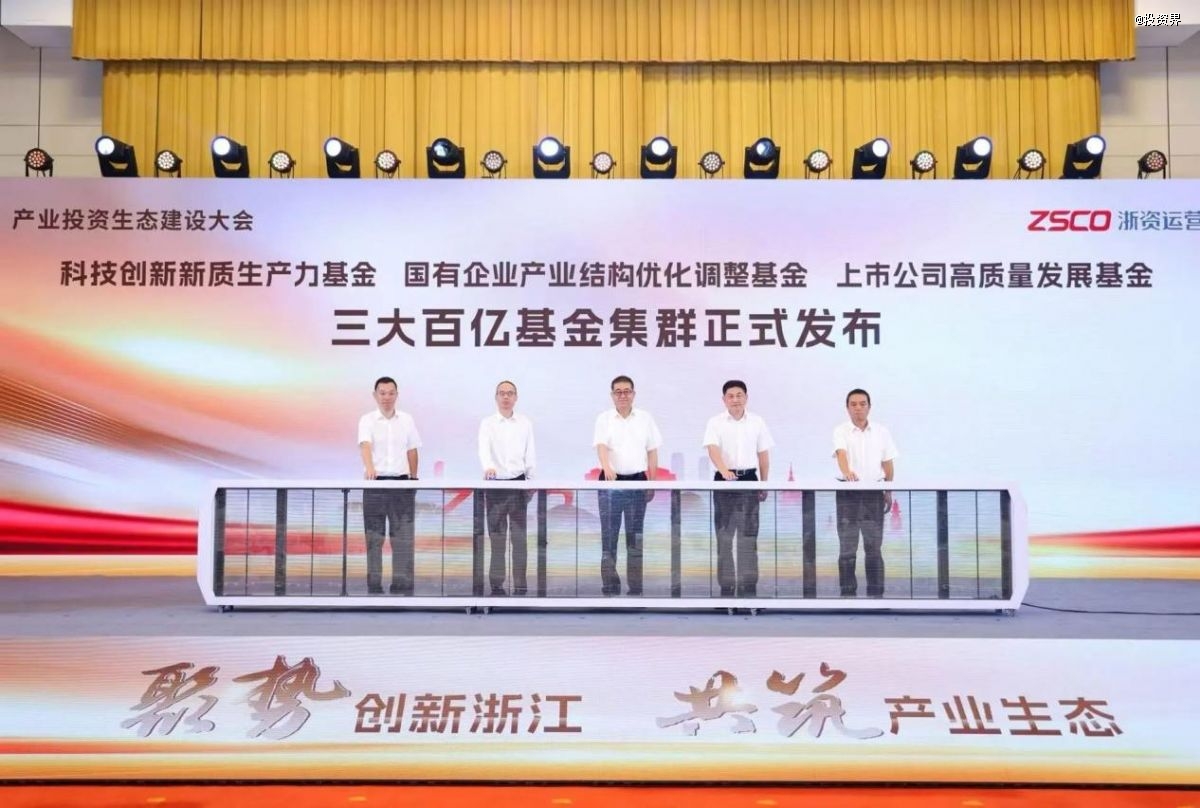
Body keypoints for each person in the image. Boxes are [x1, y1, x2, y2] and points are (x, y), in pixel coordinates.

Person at [703, 380, 774, 598]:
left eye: (739, 395)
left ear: (746, 397)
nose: (735, 399)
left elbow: (763, 455)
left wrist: (763, 483)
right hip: (724, 481)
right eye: (731, 396)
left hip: (749, 480)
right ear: (724, 399)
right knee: (724, 539)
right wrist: (724, 471)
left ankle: (748, 591)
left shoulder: (757, 422)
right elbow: (712, 449)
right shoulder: (715, 422)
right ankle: (726, 591)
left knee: (748, 539)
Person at [592, 375, 662, 596]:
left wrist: (652, 481)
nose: (623, 395)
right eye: (618, 392)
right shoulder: (604, 418)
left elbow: (652, 451)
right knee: (609, 536)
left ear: (633, 394)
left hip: (637, 482)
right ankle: (610, 586)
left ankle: (635, 588)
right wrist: (607, 467)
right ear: (612, 395)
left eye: (627, 391)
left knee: (635, 537)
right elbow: (601, 446)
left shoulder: (645, 418)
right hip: (610, 484)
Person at [357, 376, 421, 595]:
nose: (387, 397)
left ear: (397, 395)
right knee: (374, 539)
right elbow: (365, 445)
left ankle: (401, 586)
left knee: (402, 539)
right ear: (375, 395)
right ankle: (374, 587)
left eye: (391, 393)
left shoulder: (407, 420)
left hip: (402, 485)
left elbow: (412, 449)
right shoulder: (367, 420)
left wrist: (413, 478)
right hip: (375, 485)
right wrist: (370, 468)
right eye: (382, 393)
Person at [832, 388, 898, 598]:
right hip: (848, 494)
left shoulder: (881, 432)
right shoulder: (840, 431)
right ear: (847, 408)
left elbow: (887, 464)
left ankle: (876, 595)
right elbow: (841, 454)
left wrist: (888, 490)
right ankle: (847, 595)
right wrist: (847, 472)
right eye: (853, 404)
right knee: (847, 549)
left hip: (874, 494)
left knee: (874, 548)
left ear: (869, 407)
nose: (858, 408)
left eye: (862, 404)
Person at [478, 380, 537, 596]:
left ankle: (520, 587)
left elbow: (530, 453)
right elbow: (484, 450)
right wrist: (488, 467)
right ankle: (497, 587)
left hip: (519, 484)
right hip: (495, 486)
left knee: (519, 540)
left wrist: (531, 481)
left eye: (510, 393)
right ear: (496, 397)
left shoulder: (525, 423)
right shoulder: (487, 423)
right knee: (497, 539)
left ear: (516, 397)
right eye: (502, 393)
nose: (506, 397)